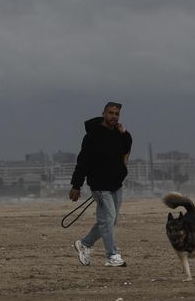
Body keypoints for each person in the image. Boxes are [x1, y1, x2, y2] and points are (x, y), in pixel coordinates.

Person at [69, 101, 132, 267]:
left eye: (116, 114)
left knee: (110, 220)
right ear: (104, 113)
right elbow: (83, 162)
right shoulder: (93, 136)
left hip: (116, 185)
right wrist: (76, 185)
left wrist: (125, 133)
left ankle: (85, 243)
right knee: (108, 219)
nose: (114, 116)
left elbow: (127, 147)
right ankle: (112, 255)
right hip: (100, 186)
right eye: (111, 113)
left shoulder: (119, 134)